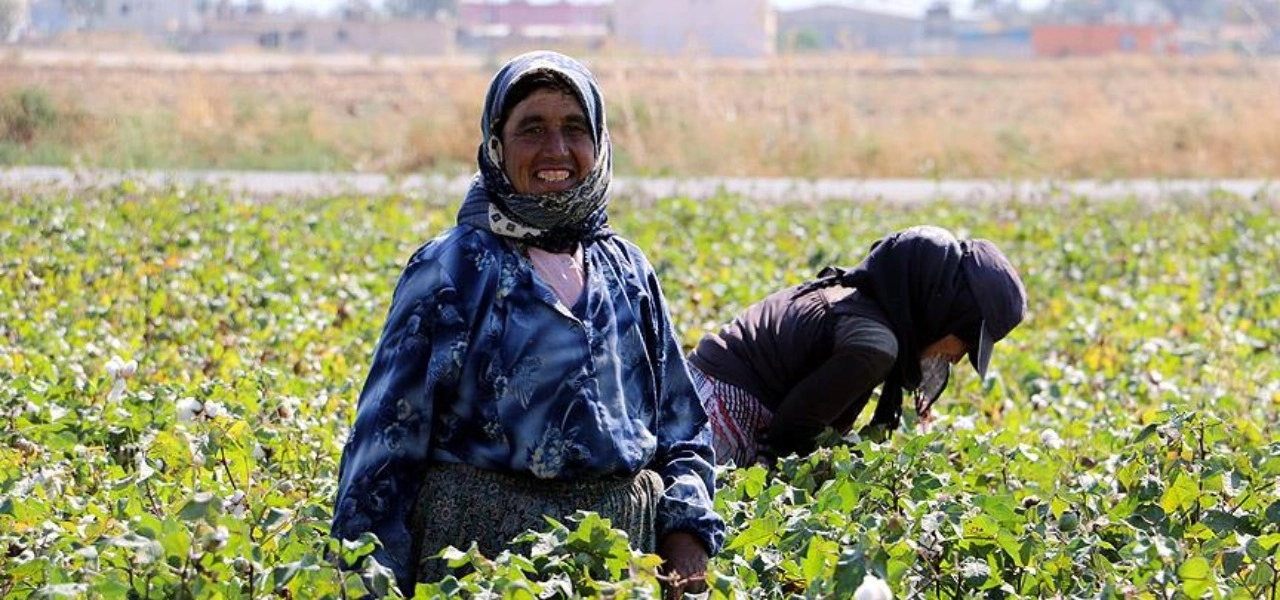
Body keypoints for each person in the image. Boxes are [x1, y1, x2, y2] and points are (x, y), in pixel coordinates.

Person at [330, 51, 723, 597]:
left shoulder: (626, 270)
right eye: (531, 129)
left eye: (574, 129)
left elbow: (682, 429)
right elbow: (385, 444)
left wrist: (687, 537)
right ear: (496, 146)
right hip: (479, 562)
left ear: (599, 142)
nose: (555, 151)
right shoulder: (453, 269)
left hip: (619, 558)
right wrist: (368, 580)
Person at [687, 225, 1027, 466]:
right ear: (944, 313)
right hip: (711, 418)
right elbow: (790, 435)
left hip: (693, 393)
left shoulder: (858, 299)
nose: (955, 359)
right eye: (964, 342)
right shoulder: (875, 344)